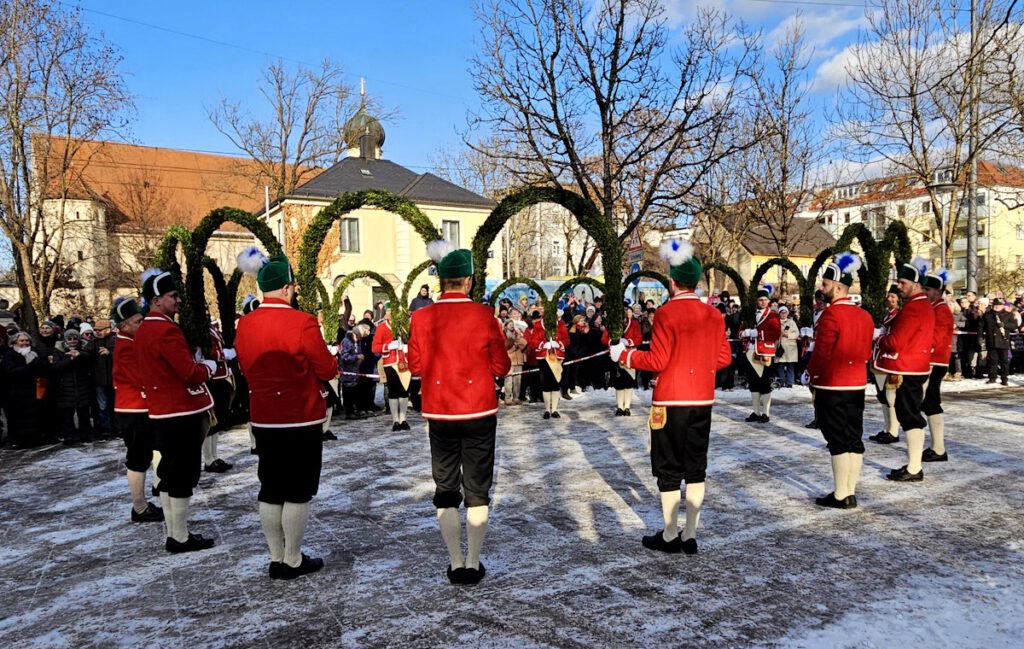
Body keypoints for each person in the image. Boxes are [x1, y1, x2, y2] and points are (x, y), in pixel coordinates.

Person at [611, 239, 731, 555]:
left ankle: (669, 534)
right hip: (702, 401)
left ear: (673, 282)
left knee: (667, 467)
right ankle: (690, 535)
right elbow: (724, 358)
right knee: (695, 468)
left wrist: (625, 356)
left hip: (670, 401)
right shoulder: (714, 315)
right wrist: (697, 363)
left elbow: (658, 362)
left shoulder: (665, 313)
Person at [408, 240, 511, 585]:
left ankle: (455, 563)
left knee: (446, 488)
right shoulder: (484, 316)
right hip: (479, 411)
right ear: (467, 280)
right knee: (477, 489)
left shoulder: (422, 317)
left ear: (442, 281)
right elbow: (502, 366)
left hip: (440, 413)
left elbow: (416, 366)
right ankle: (473, 560)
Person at [235, 249, 340, 580]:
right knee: (298, 489)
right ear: (285, 288)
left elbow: (245, 367)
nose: (295, 292)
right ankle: (292, 558)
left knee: (270, 487)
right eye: (292, 287)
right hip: (300, 416)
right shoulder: (302, 321)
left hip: (264, 417)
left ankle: (275, 555)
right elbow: (326, 366)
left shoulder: (245, 325)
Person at [135, 268, 218, 553]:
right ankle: (179, 536)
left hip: (160, 412)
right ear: (156, 300)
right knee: (182, 475)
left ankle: (174, 532)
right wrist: (209, 367)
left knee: (169, 474)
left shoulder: (145, 328)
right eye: (172, 296)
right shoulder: (166, 329)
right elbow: (188, 373)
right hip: (180, 413)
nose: (178, 300)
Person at [802, 253, 874, 509]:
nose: (822, 289)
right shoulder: (864, 316)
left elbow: (822, 352)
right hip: (856, 384)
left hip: (832, 385)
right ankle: (849, 491)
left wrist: (809, 373)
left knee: (837, 440)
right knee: (853, 438)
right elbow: (866, 352)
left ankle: (841, 494)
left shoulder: (831, 315)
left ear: (838, 287)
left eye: (825, 284)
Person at [873, 258, 935, 482]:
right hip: (915, 366)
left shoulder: (913, 308)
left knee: (909, 416)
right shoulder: (921, 305)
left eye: (902, 283)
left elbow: (895, 342)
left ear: (916, 284)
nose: (898, 287)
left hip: (909, 368)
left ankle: (914, 467)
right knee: (908, 414)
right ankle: (913, 464)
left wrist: (879, 339)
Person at [111, 297, 164, 523]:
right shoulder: (125, 346)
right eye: (138, 321)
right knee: (138, 458)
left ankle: (147, 498)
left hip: (141, 407)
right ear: (124, 325)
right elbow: (140, 378)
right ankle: (139, 507)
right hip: (134, 409)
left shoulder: (132, 341)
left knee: (146, 454)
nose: (142, 325)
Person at [921, 269, 954, 463]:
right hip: (932, 360)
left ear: (938, 292)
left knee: (931, 402)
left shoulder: (940, 310)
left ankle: (939, 448)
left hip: (935, 361)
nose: (925, 292)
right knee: (929, 402)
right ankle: (936, 446)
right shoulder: (934, 308)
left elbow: (936, 339)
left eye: (928, 289)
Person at [742, 284, 782, 423]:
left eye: (765, 300)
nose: (763, 302)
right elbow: (740, 331)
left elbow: (776, 333)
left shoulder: (773, 315)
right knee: (753, 383)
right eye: (760, 300)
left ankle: (766, 413)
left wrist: (758, 333)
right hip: (749, 352)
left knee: (764, 383)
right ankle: (756, 412)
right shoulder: (750, 314)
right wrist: (744, 333)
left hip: (765, 352)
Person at [868, 284, 902, 444]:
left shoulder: (899, 316)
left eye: (893, 297)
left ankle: (894, 431)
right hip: (881, 358)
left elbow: (894, 338)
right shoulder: (888, 315)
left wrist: (879, 338)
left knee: (890, 396)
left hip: (891, 359)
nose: (889, 299)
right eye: (889, 296)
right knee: (882, 396)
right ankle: (887, 428)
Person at [202, 318, 235, 473]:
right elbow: (210, 352)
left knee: (218, 420)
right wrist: (226, 354)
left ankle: (214, 456)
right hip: (213, 378)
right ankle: (208, 459)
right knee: (212, 422)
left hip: (221, 376)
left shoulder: (211, 329)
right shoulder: (203, 332)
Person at [2, 331, 46, 447]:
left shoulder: (34, 353)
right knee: (18, 417)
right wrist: (28, 367)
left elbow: (41, 370)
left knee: (33, 416)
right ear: (15, 342)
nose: (25, 343)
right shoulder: (10, 355)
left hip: (33, 390)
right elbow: (10, 371)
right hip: (16, 392)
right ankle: (18, 440)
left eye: (26, 340)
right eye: (22, 340)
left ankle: (34, 438)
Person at [372, 303, 411, 431]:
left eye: (392, 310)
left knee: (404, 391)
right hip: (390, 363)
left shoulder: (404, 327)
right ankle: (395, 420)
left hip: (403, 362)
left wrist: (407, 347)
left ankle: (403, 419)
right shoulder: (382, 328)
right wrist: (388, 346)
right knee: (393, 391)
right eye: (388, 311)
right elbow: (375, 347)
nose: (389, 313)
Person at [52, 328, 95, 445]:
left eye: (75, 338)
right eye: (69, 339)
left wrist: (79, 356)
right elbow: (56, 366)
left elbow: (90, 362)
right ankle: (69, 436)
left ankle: (85, 434)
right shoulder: (59, 350)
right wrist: (70, 359)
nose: (72, 341)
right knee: (67, 413)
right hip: (65, 386)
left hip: (83, 385)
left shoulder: (85, 348)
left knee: (84, 412)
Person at [529, 309, 569, 419]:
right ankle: (547, 409)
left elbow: (567, 340)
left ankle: (555, 409)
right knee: (545, 384)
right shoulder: (538, 325)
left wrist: (558, 343)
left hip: (556, 357)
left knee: (556, 383)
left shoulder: (561, 325)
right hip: (544, 357)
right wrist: (543, 344)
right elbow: (533, 341)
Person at [605, 304, 642, 415]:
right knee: (619, 383)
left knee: (629, 382)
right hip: (617, 356)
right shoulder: (613, 324)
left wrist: (629, 341)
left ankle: (627, 407)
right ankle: (620, 407)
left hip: (630, 356)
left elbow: (639, 338)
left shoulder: (634, 324)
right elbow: (604, 338)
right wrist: (614, 342)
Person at [90, 320, 116, 439]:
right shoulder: (94, 342)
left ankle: (118, 429)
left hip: (114, 379)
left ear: (108, 329)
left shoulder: (115, 340)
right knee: (103, 407)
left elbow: (123, 354)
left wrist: (109, 353)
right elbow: (86, 353)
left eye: (99, 330)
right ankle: (106, 430)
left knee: (115, 406)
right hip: (100, 380)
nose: (97, 332)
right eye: (95, 330)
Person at [982, 299, 1012, 385]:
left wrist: (1004, 325)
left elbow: (1014, 325)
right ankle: (992, 378)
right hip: (991, 342)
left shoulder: (1008, 315)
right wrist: (980, 337)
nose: (997, 307)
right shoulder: (987, 315)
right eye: (995, 305)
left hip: (1003, 341)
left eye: (999, 305)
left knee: (1004, 362)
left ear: (1002, 306)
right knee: (992, 361)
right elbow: (981, 326)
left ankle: (1004, 379)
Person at [503, 319, 528, 406]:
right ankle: (507, 398)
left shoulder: (518, 334)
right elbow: (505, 346)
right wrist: (512, 340)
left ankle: (516, 397)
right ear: (506, 325)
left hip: (519, 359)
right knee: (508, 380)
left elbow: (525, 345)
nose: (511, 325)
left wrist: (519, 337)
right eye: (509, 324)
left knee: (517, 380)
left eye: (512, 324)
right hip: (509, 359)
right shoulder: (503, 334)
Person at [776, 307, 799, 388]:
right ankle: (781, 382)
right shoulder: (776, 322)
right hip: (780, 347)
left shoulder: (792, 322)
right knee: (780, 365)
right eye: (782, 312)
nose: (783, 314)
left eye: (785, 312)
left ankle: (790, 382)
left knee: (790, 365)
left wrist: (788, 335)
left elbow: (796, 334)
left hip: (790, 348)